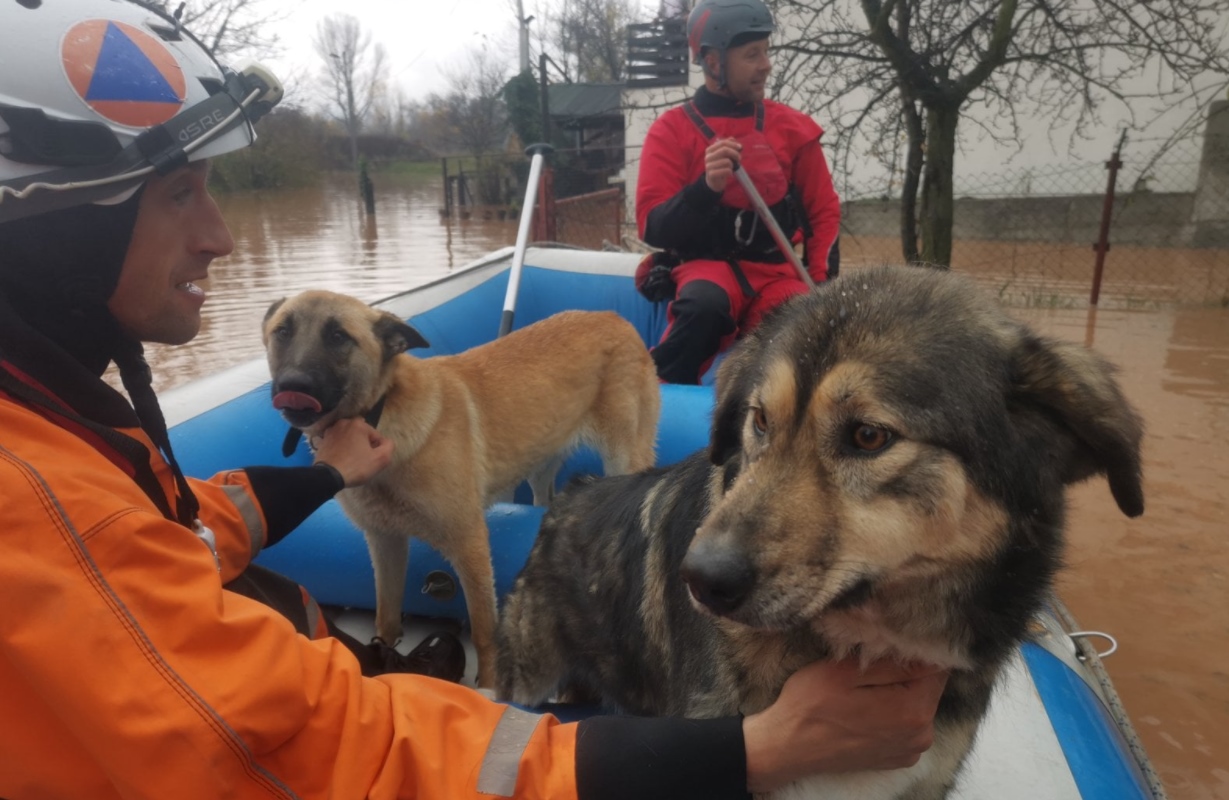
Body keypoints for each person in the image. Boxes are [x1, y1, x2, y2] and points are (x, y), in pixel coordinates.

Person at [0, 1, 946, 797]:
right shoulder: (42, 501)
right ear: (50, 226)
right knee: (697, 304)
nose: (220, 237)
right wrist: (750, 750)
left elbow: (169, 537)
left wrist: (315, 479)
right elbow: (334, 747)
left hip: (741, 309)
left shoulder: (56, 416)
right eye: (178, 195)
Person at [635, 0, 842, 384]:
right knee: (703, 307)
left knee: (797, 324)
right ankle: (660, 396)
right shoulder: (671, 131)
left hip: (777, 273)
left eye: (766, 51)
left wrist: (820, 286)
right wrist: (705, 189)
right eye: (752, 54)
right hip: (707, 267)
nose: (766, 64)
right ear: (713, 63)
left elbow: (823, 213)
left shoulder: (794, 130)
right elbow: (652, 226)